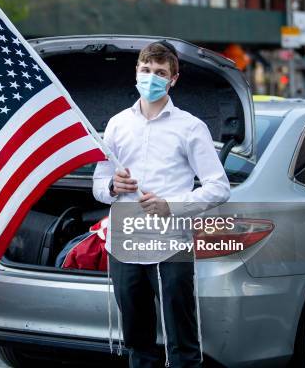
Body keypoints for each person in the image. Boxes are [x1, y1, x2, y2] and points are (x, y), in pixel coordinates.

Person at [92, 41, 231, 368]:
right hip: (123, 246)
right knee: (138, 344)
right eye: (146, 70)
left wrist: (172, 205)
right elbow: (98, 185)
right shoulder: (116, 124)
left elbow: (218, 187)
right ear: (136, 71)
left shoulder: (191, 127)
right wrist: (112, 186)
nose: (151, 77)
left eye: (160, 73)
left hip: (169, 246)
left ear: (173, 79)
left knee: (181, 344)